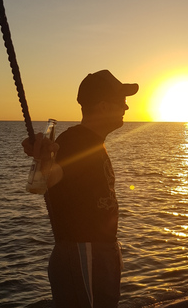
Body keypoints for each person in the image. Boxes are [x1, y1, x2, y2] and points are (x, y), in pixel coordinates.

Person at [22, 69, 138, 307]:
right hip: (84, 254)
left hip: (98, 255)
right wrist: (42, 157)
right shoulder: (74, 142)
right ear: (104, 106)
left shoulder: (93, 143)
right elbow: (48, 180)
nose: (126, 107)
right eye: (122, 101)